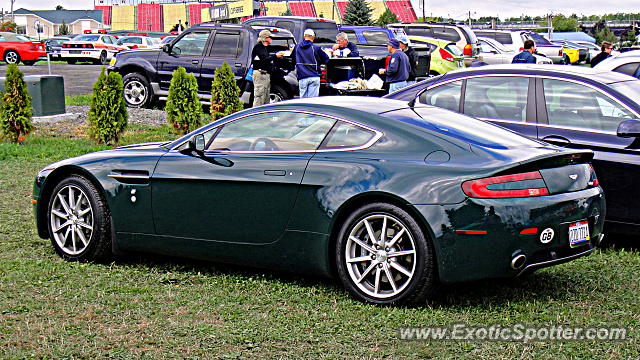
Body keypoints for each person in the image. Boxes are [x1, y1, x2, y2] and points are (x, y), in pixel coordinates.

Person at [293, 29, 329, 98]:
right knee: (312, 101)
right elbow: (326, 59)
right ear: (313, 37)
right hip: (314, 76)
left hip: (302, 77)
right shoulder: (316, 48)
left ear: (304, 36)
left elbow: (293, 60)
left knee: (303, 101)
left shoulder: (297, 47)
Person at [251, 29, 284, 107]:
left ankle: (263, 116)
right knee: (259, 97)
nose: (271, 39)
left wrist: (285, 47)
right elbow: (264, 60)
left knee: (266, 98)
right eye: (270, 37)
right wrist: (275, 56)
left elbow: (274, 48)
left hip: (266, 75)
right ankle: (256, 116)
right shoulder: (258, 47)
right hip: (260, 74)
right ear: (265, 38)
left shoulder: (266, 47)